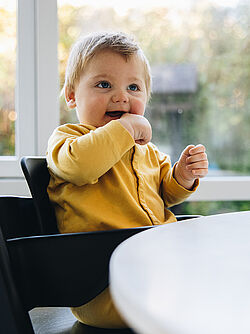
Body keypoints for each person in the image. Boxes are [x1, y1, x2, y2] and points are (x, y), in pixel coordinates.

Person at [46, 31, 209, 329]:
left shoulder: (147, 151)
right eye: (104, 84)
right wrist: (126, 127)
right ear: (71, 95)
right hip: (103, 284)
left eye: (133, 87)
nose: (121, 96)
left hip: (156, 268)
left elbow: (165, 194)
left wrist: (182, 177)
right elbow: (82, 167)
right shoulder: (68, 140)